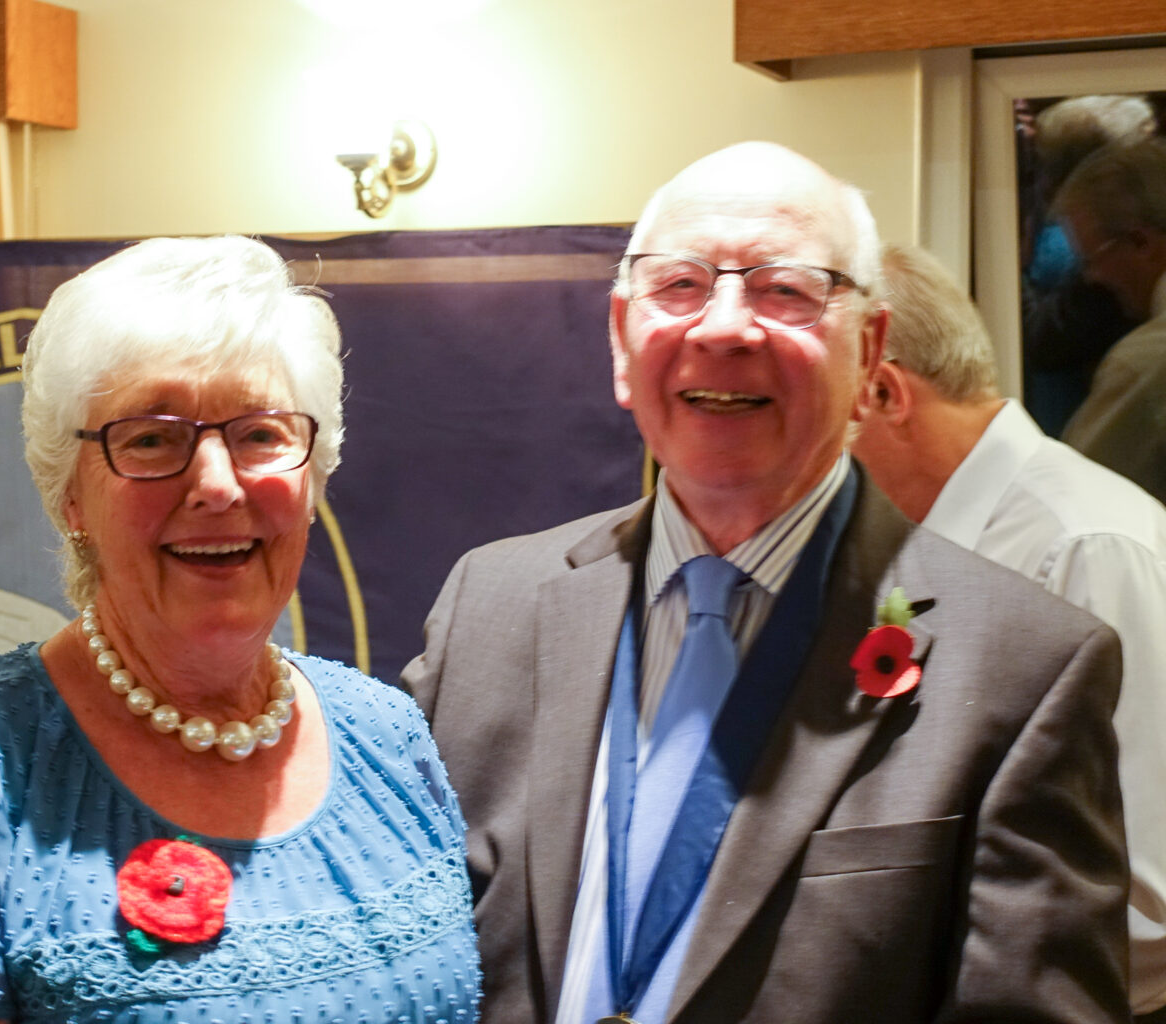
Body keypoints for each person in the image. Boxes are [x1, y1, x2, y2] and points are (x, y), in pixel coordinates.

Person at [403, 142, 1129, 1024]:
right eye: (680, 284)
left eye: (785, 290)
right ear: (621, 340)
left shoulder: (1025, 669)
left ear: (869, 354)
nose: (724, 327)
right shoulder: (489, 607)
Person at [0, 236, 481, 1023]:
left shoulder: (389, 737)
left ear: (313, 477)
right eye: (152, 438)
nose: (217, 485)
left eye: (260, 433)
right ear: (71, 497)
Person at [853, 241, 1166, 1020]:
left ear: (885, 393)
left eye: (812, 411)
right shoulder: (910, 542)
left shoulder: (1085, 543)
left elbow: (1148, 895)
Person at [1055, 137, 1166, 504]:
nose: (1092, 278)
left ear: (1141, 243)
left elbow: (1076, 501)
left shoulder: (1144, 363)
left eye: (1091, 259)